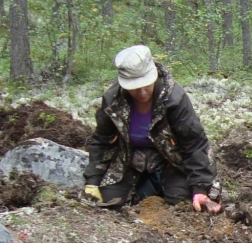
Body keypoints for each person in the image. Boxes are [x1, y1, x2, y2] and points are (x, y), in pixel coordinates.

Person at [83, 45, 220, 212]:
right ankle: (145, 188)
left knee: (180, 203)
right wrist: (92, 181)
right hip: (129, 159)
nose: (141, 93)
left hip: (171, 161)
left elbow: (194, 143)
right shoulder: (113, 100)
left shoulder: (174, 99)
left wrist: (199, 188)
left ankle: (161, 187)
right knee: (110, 202)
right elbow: (102, 140)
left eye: (146, 84)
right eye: (134, 87)